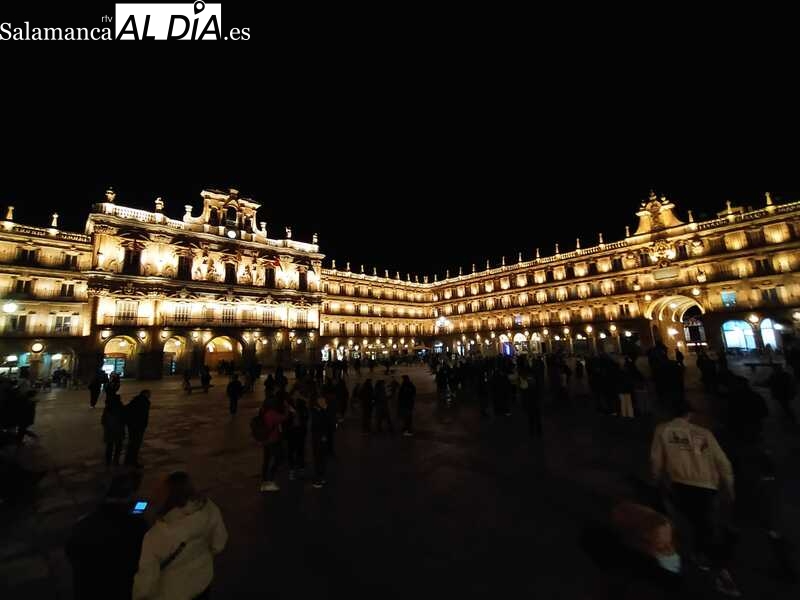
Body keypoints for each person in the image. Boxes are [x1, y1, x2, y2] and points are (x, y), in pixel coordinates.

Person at [650, 402, 740, 597]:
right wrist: (729, 488)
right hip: (707, 487)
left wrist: (657, 479)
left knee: (691, 523)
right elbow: (723, 462)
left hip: (680, 484)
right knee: (705, 525)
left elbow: (656, 459)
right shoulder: (703, 433)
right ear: (689, 414)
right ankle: (716, 569)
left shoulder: (662, 430)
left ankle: (706, 562)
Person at [133, 472, 228, 600]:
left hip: (172, 593)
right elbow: (219, 544)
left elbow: (147, 580)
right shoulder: (210, 509)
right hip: (202, 583)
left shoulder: (156, 536)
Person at [66, 472, 148, 600]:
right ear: (128, 500)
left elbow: (71, 553)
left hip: (87, 591)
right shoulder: (137, 526)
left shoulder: (82, 526)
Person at [260, 393, 288, 492]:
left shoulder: (264, 411)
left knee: (267, 460)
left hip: (266, 440)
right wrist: (287, 408)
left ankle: (264, 481)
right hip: (272, 440)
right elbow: (284, 417)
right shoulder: (271, 413)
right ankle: (269, 480)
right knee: (278, 458)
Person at [286, 383, 309, 481]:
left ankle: (301, 468)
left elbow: (306, 416)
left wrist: (297, 413)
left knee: (300, 450)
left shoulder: (302, 403)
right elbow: (285, 419)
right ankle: (292, 470)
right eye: (295, 393)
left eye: (298, 393)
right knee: (291, 451)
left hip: (300, 430)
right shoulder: (287, 404)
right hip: (291, 431)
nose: (297, 395)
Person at [124, 390, 151, 469]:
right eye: (149, 394)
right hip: (138, 426)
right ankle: (132, 461)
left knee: (132, 443)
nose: (150, 396)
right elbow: (142, 416)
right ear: (145, 394)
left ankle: (128, 460)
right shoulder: (144, 403)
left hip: (132, 426)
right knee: (135, 444)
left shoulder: (135, 401)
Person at [310, 394, 331, 488]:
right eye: (321, 401)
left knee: (322, 458)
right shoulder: (316, 411)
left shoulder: (322, 410)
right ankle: (317, 479)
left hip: (322, 438)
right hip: (318, 439)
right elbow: (318, 425)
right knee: (319, 458)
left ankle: (321, 477)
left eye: (324, 401)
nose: (324, 402)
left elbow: (328, 422)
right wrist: (322, 436)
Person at [103, 393, 126, 467]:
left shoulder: (107, 408)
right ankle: (116, 461)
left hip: (110, 431)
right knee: (118, 447)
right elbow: (124, 419)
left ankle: (108, 461)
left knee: (109, 447)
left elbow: (103, 421)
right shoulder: (120, 407)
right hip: (118, 431)